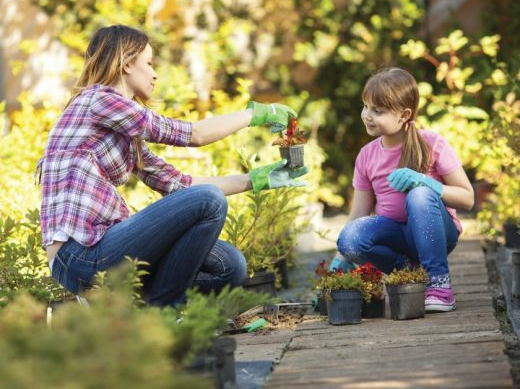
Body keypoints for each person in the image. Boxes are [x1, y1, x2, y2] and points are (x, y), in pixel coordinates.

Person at [36, 25, 308, 307]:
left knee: (230, 266)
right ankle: (166, 314)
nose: (154, 74)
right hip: (79, 255)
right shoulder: (99, 100)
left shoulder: (125, 133)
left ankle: (147, 312)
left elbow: (179, 186)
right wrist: (256, 113)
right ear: (127, 64)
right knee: (209, 201)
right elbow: (195, 135)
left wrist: (258, 179)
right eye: (149, 63)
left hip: (103, 249)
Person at [334, 67, 474, 312]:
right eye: (365, 106)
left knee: (419, 194)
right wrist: (338, 264)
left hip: (439, 234)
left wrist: (427, 182)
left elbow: (468, 199)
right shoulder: (367, 155)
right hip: (396, 238)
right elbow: (357, 216)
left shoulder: (432, 144)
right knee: (350, 237)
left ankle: (439, 283)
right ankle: (409, 270)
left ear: (403, 115)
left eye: (377, 110)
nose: (367, 115)